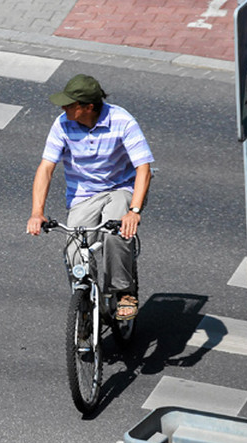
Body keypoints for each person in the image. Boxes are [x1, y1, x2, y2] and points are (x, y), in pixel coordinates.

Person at [26, 74, 154, 320]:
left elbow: (143, 169)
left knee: (116, 234)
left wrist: (134, 211)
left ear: (89, 107)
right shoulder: (62, 124)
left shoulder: (122, 121)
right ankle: (85, 299)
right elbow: (46, 168)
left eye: (70, 104)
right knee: (75, 249)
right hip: (83, 195)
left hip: (121, 188)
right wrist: (37, 212)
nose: (64, 108)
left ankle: (124, 291)